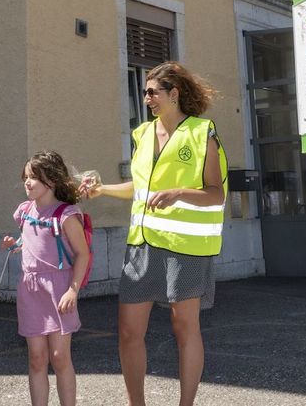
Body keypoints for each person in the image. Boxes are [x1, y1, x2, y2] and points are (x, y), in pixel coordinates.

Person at [81, 62, 227, 406]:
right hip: (141, 245)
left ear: (173, 94)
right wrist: (102, 190)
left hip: (186, 247)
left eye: (152, 92)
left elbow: (215, 193)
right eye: (145, 92)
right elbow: (141, 187)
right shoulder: (142, 134)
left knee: (184, 329)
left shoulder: (202, 131)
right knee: (129, 332)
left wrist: (179, 192)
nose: (146, 98)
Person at [0, 150, 90, 406]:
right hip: (30, 289)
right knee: (36, 358)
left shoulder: (66, 215)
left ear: (51, 180)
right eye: (26, 176)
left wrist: (73, 290)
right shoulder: (25, 210)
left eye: (34, 177)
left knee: (60, 357)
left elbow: (82, 254)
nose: (27, 182)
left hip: (59, 288)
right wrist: (15, 244)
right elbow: (31, 241)